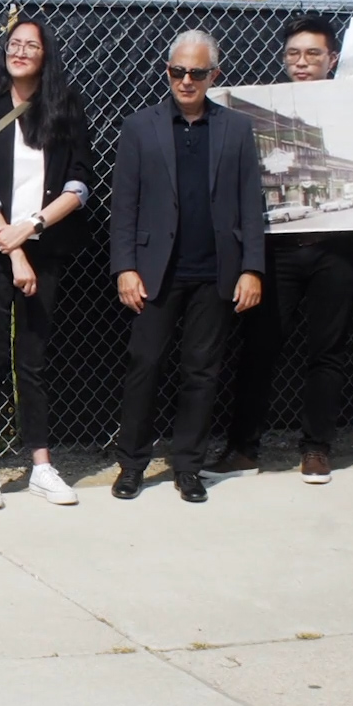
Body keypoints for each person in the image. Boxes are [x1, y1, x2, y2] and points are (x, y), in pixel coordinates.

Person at [110, 30, 265, 504]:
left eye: (197, 72)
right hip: (155, 272)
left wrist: (252, 269)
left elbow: (251, 204)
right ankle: (132, 464)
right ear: (167, 72)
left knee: (202, 371)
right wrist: (125, 268)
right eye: (178, 71)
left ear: (213, 75)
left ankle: (188, 466)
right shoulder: (140, 128)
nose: (186, 80)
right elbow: (125, 205)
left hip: (215, 271)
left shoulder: (237, 129)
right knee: (145, 366)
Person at [213, 14, 353, 485]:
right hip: (275, 251)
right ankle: (243, 447)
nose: (302, 62)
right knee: (259, 349)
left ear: (331, 59)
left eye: (313, 54)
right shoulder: (263, 106)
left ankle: (317, 448)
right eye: (294, 54)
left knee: (328, 350)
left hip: (336, 250)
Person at [0, 18, 94, 509]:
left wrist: (32, 228)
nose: (19, 51)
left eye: (30, 45)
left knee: (33, 359)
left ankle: (40, 465)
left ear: (45, 54)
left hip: (44, 243)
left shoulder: (65, 107)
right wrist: (13, 246)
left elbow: (79, 184)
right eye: (13, 43)